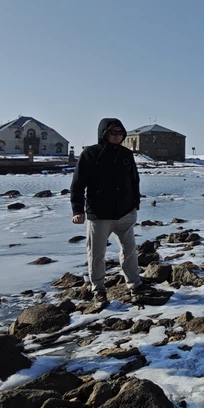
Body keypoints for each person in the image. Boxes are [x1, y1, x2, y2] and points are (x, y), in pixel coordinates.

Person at [70, 118, 144, 301]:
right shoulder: (90, 153)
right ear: (104, 133)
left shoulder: (126, 154)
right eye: (113, 133)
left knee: (129, 251)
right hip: (100, 214)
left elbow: (135, 180)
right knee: (96, 253)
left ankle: (135, 284)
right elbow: (78, 184)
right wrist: (77, 210)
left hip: (125, 212)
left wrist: (135, 204)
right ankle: (98, 289)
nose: (117, 136)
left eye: (120, 133)